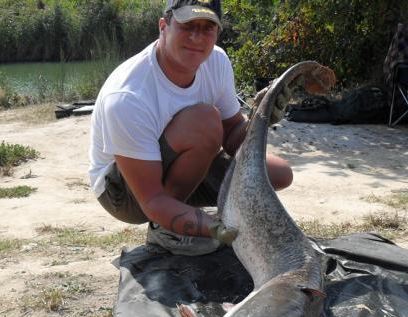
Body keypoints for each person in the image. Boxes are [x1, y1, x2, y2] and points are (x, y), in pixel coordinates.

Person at [88, 0, 293, 256]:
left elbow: (232, 138)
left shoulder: (216, 61)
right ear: (164, 26)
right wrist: (215, 228)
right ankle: (164, 229)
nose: (197, 37)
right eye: (188, 26)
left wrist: (260, 116)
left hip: (180, 167)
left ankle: (182, 210)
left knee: (278, 173)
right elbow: (152, 200)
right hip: (123, 192)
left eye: (207, 27)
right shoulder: (127, 96)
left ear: (217, 32)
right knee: (204, 122)